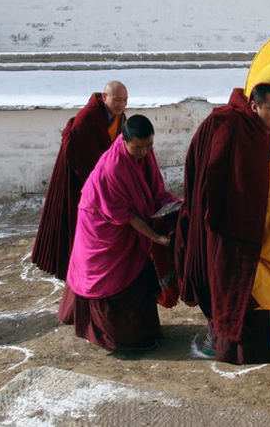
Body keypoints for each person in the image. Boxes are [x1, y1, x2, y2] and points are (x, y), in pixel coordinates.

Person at [176, 33, 270, 386]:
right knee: (255, 298)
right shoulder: (228, 129)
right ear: (254, 105)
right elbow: (206, 176)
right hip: (242, 237)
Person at [58, 114, 180, 351]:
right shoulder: (112, 168)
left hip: (127, 224)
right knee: (112, 275)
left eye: (149, 146)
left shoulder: (143, 153)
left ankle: (145, 329)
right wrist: (154, 237)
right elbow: (128, 215)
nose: (145, 152)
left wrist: (175, 205)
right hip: (102, 225)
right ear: (124, 140)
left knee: (137, 271)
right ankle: (117, 336)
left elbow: (154, 188)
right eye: (139, 147)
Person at [32, 81, 128, 280]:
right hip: (77, 177)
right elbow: (79, 153)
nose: (121, 105)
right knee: (73, 220)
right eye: (117, 99)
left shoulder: (120, 119)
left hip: (98, 176)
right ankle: (69, 264)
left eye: (125, 100)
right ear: (104, 97)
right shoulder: (88, 118)